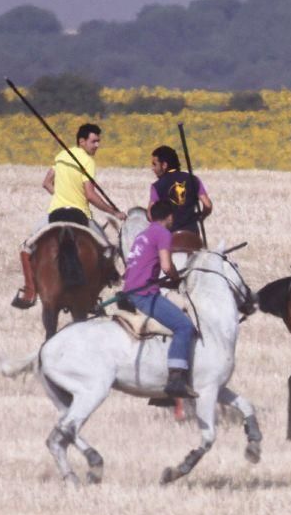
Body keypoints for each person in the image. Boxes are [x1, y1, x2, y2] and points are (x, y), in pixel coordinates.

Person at [12, 122, 126, 309]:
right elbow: (90, 194)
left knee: (26, 247)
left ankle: (30, 291)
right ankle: (92, 294)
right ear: (82, 141)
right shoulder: (87, 161)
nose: (97, 145)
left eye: (98, 142)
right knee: (107, 249)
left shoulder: (62, 155)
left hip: (55, 214)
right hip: (79, 215)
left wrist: (61, 196)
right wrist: (113, 211)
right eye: (94, 141)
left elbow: (46, 183)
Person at [121, 200, 198, 399]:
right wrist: (176, 278)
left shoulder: (143, 234)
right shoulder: (163, 234)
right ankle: (175, 379)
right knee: (184, 326)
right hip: (144, 295)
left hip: (130, 291)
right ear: (169, 217)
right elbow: (166, 265)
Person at [148, 145, 212, 236]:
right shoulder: (193, 180)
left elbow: (150, 215)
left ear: (164, 165)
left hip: (169, 237)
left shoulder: (157, 186)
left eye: (155, 164)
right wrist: (201, 216)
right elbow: (208, 205)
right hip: (192, 235)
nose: (153, 168)